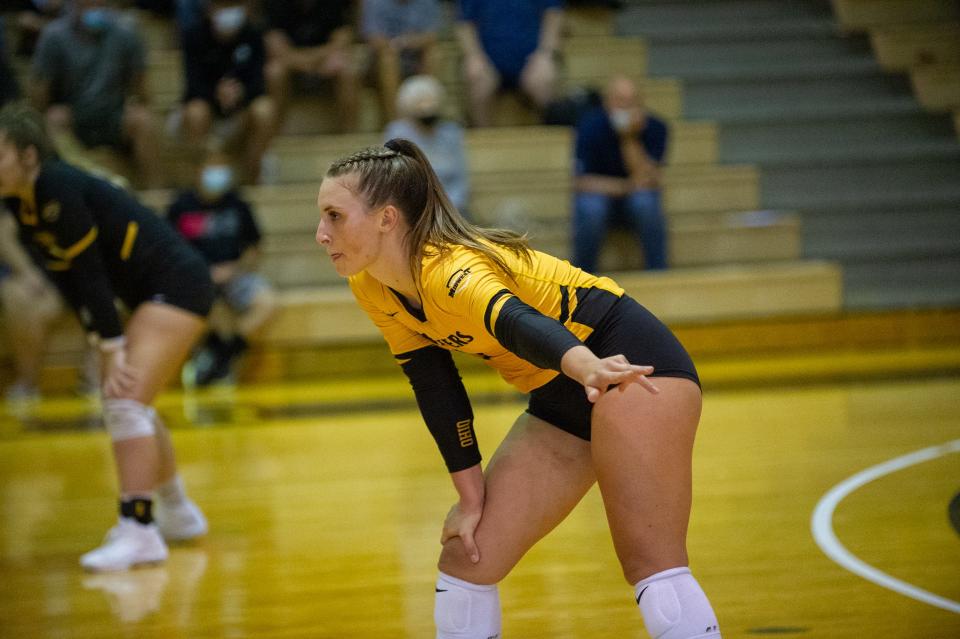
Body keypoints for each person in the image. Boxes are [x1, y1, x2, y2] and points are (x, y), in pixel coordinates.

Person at [315, 138, 721, 637]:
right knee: (467, 558)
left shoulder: (450, 269)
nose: (321, 233)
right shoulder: (371, 284)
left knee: (651, 565)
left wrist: (586, 366)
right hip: (560, 391)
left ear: (387, 218)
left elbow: (518, 323)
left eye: (335, 216)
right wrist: (469, 500)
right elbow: (435, 385)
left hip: (624, 365)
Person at [0, 103, 213, 572]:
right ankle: (177, 512)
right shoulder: (22, 205)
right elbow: (73, 283)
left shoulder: (55, 185)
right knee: (133, 401)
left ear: (29, 155)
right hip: (150, 293)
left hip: (177, 283)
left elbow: (91, 275)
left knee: (123, 402)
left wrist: (111, 346)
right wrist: (103, 339)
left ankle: (139, 529)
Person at [167, 150, 276, 386]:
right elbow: (169, 251)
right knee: (206, 302)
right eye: (211, 167)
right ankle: (221, 358)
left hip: (235, 275)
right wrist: (201, 272)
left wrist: (235, 269)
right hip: (196, 277)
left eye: (222, 167)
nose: (217, 174)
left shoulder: (238, 204)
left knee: (266, 303)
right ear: (197, 171)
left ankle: (222, 353)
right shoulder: (180, 206)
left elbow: (254, 247)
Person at [29, 0, 162, 188]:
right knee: (53, 118)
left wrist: (139, 104)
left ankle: (155, 193)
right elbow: (40, 93)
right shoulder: (54, 35)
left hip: (114, 114)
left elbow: (141, 85)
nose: (93, 5)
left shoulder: (126, 32)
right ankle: (66, 189)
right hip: (75, 115)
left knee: (143, 120)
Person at [573, 75, 668, 273]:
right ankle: (582, 278)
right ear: (607, 102)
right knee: (591, 208)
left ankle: (659, 274)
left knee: (646, 203)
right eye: (619, 100)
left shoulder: (656, 127)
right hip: (601, 197)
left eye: (631, 102)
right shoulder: (589, 126)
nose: (625, 107)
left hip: (634, 199)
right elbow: (581, 182)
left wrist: (629, 138)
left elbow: (649, 179)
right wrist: (627, 187)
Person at [180, 0, 277, 183]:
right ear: (209, 9)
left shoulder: (254, 35)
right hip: (209, 108)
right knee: (195, 111)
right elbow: (192, 86)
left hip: (242, 111)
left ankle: (252, 177)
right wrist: (216, 94)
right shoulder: (194, 36)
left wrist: (241, 93)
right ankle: (200, 181)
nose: (228, 13)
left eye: (233, 6)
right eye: (222, 6)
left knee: (265, 109)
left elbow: (259, 83)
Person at [456, 0, 564, 127]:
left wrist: (545, 54)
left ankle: (550, 136)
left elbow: (554, 14)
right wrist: (474, 55)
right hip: (487, 61)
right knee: (475, 74)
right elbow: (464, 24)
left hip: (533, 59)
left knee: (544, 77)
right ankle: (483, 137)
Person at [263, 0, 360, 132]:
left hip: (324, 65)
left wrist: (310, 60)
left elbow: (343, 40)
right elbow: (275, 48)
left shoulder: (333, 4)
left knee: (348, 69)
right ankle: (273, 135)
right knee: (274, 71)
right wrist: (310, 64)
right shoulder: (277, 5)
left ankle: (350, 136)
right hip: (295, 66)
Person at [383, 75, 469, 214]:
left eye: (431, 102)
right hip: (414, 210)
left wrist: (449, 208)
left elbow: (461, 179)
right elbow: (396, 181)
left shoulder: (451, 132)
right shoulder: (397, 133)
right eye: (421, 103)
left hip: (452, 209)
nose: (427, 108)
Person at [361, 0, 442, 124]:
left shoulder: (427, 3)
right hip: (382, 61)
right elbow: (374, 40)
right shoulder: (375, 3)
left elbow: (432, 36)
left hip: (415, 56)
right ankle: (397, 123)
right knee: (388, 59)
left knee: (434, 54)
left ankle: (428, 115)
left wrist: (407, 41)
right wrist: (397, 44)